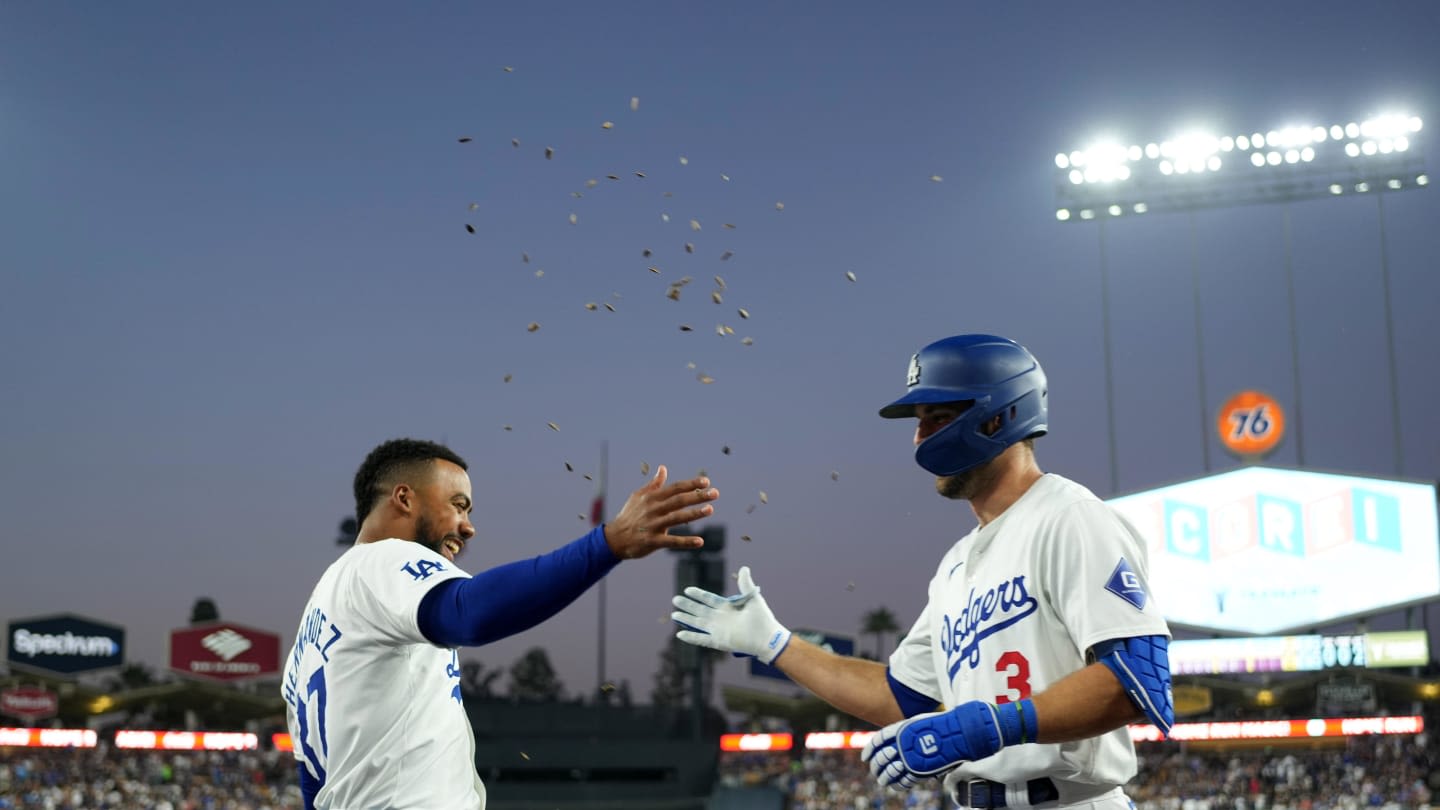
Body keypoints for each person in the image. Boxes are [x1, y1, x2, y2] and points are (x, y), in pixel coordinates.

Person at [673, 334, 1173, 809]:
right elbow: (901, 695)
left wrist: (982, 728)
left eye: (936, 418)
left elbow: (1138, 680)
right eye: (919, 421)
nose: (919, 437)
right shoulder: (956, 563)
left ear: (997, 418)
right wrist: (777, 644)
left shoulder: (1069, 517)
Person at [283, 437, 719, 810]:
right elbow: (469, 613)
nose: (468, 526)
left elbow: (312, 778)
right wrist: (607, 545)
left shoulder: (318, 614)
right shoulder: (383, 560)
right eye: (458, 505)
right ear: (404, 498)